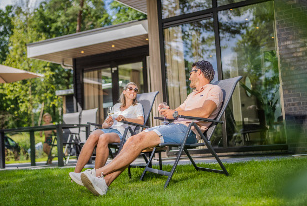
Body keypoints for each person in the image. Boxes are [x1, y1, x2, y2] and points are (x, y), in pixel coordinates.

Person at [80, 60, 223, 196]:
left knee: (140, 138)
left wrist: (176, 113)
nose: (189, 76)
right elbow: (176, 112)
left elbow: (204, 112)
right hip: (174, 127)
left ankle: (97, 173)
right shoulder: (192, 95)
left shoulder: (214, 90)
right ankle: (104, 183)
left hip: (189, 131)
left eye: (191, 72)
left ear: (199, 72)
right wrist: (167, 111)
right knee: (132, 140)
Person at [69, 82, 144, 186]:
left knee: (103, 137)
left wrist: (125, 119)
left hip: (123, 133)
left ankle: (95, 176)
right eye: (130, 89)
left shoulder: (137, 106)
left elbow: (141, 121)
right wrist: (107, 123)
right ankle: (75, 174)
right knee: (94, 135)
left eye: (135, 90)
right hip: (110, 129)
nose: (133, 91)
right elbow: (104, 125)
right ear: (124, 91)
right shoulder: (116, 106)